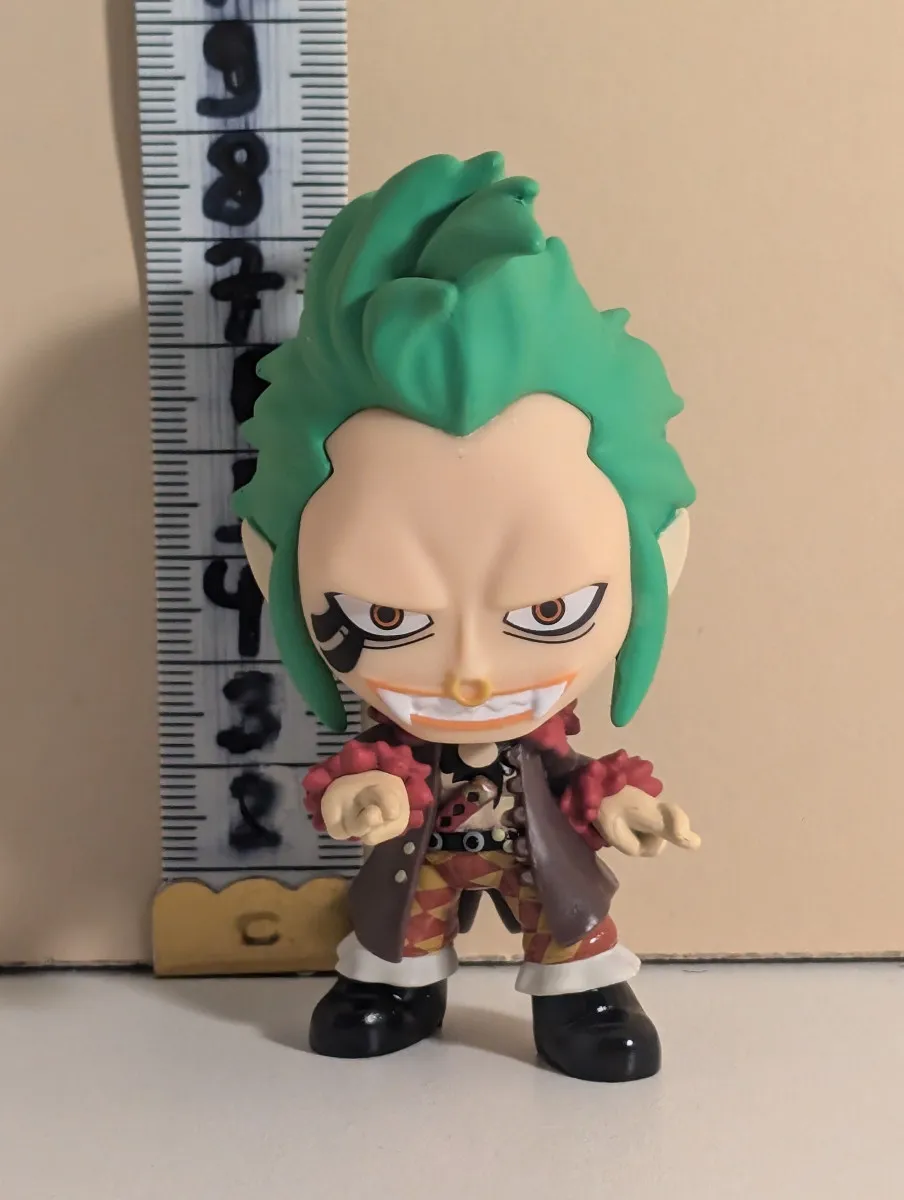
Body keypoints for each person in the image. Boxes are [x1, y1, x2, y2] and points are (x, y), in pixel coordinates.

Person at [235, 151, 699, 1082]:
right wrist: (358, 797)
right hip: (420, 860)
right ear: (273, 564)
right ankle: (396, 988)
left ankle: (582, 997)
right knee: (398, 927)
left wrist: (625, 804)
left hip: (538, 856)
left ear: (660, 557)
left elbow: (582, 776)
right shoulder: (398, 731)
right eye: (385, 615)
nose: (469, 672)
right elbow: (359, 775)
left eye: (550, 611)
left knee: (568, 921)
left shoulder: (540, 732)